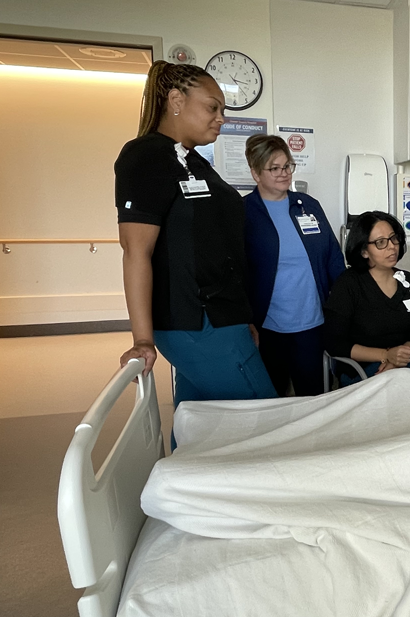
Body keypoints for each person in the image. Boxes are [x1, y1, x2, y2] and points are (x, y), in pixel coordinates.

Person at [116, 61, 276, 414]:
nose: (221, 118)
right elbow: (135, 250)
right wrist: (142, 339)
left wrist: (241, 314)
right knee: (263, 416)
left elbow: (218, 247)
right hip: (195, 319)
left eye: (223, 110)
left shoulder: (195, 162)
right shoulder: (145, 155)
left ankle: (182, 468)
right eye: (212, 107)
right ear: (176, 100)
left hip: (222, 317)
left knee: (200, 420)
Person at [244, 135, 345, 396]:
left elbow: (333, 256)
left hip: (312, 322)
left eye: (287, 165)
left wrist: (346, 302)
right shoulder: (243, 212)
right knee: (272, 396)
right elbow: (235, 272)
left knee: (313, 394)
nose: (283, 173)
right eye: (274, 168)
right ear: (256, 173)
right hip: (268, 326)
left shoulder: (307, 206)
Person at [324, 211, 410, 381]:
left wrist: (401, 355)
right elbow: (334, 344)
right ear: (364, 251)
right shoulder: (347, 285)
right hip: (364, 368)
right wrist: (386, 355)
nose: (392, 246)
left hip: (408, 361)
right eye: (381, 242)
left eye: (394, 238)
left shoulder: (408, 281)